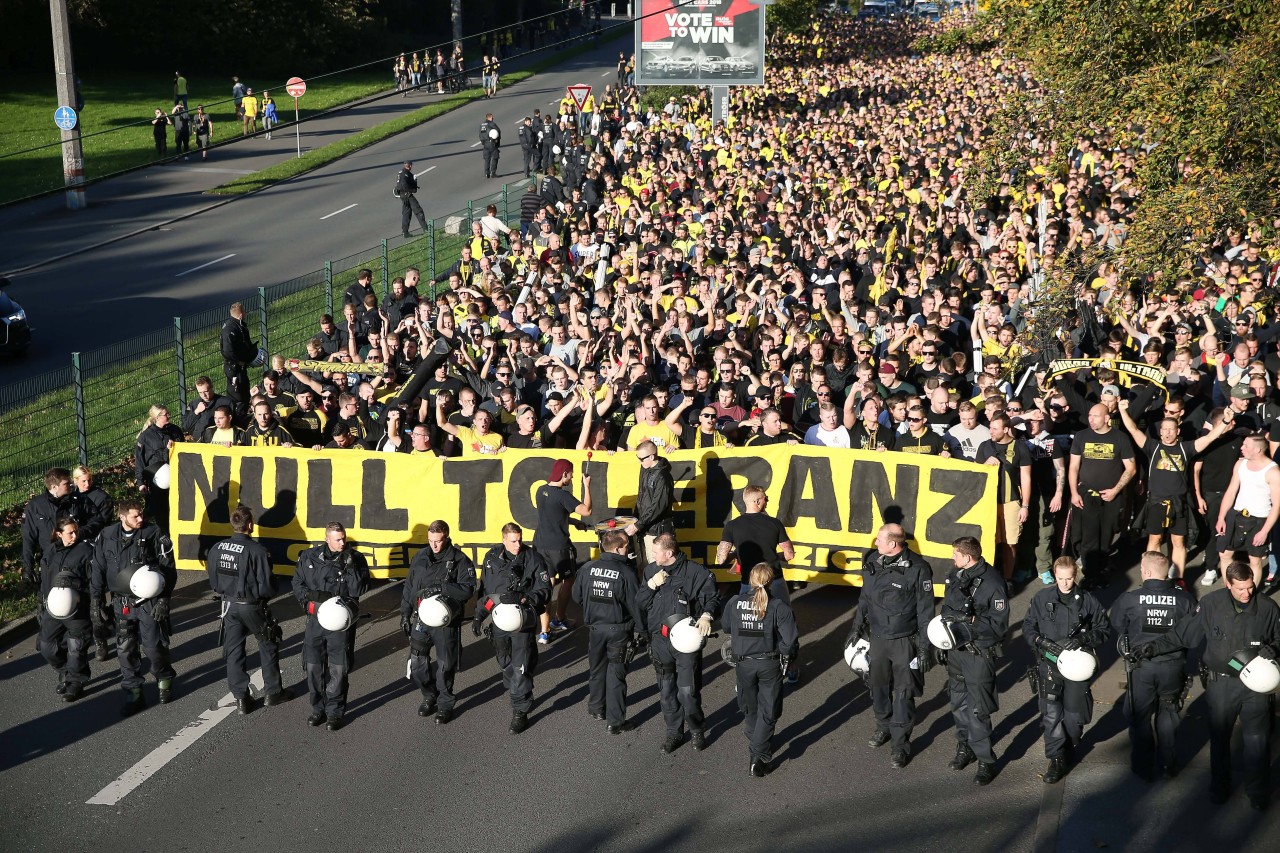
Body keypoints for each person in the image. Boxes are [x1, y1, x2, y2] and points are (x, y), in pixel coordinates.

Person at [1133, 561, 1280, 810]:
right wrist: (1152, 647)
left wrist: (1273, 649)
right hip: (1221, 684)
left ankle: (1258, 792)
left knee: (1258, 741)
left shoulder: (1268, 608)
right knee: (1220, 740)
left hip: (1256, 687)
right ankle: (1220, 787)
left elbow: (1278, 637)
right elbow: (1181, 634)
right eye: (1241, 588)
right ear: (1228, 584)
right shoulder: (1211, 605)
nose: (1247, 593)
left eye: (1250, 587)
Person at [845, 523, 935, 768]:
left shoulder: (918, 568)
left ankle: (900, 746)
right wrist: (855, 627)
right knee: (878, 688)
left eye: (879, 540)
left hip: (905, 640)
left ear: (893, 544)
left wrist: (925, 646)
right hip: (877, 639)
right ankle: (883, 726)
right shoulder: (874, 560)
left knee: (904, 694)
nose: (875, 543)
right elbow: (864, 597)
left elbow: (925, 611)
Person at [1118, 399, 1232, 584]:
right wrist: (1123, 411)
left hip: (1179, 503)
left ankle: (1178, 580)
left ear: (1177, 431)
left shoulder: (1185, 448)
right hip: (1156, 502)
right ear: (1160, 431)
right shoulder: (1152, 447)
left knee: (1178, 543)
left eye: (1171, 430)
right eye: (1165, 430)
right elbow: (1133, 430)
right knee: (1154, 542)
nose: (1168, 433)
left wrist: (1225, 422)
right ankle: (1151, 579)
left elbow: (1209, 438)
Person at [1108, 551, 1196, 781]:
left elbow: (1117, 624)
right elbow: (1194, 635)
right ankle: (1168, 764)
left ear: (1147, 572)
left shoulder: (1130, 599)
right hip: (1173, 667)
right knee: (1168, 712)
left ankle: (1143, 766)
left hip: (1141, 668)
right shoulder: (1185, 599)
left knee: (1139, 717)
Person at [1023, 556, 1109, 784]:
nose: (1064, 583)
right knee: (1051, 714)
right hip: (1049, 663)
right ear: (1054, 575)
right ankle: (1056, 758)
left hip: (1077, 668)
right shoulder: (1042, 598)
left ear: (1075, 576)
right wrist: (1040, 642)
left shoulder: (1088, 601)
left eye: (1069, 579)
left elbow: (1104, 629)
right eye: (1060, 578)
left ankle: (1070, 743)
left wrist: (1086, 637)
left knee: (1074, 716)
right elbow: (1028, 627)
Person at [90, 499, 177, 717]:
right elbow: (98, 568)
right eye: (135, 516)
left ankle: (164, 680)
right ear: (122, 517)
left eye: (141, 514)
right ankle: (134, 692)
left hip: (149, 601)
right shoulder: (107, 536)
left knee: (154, 646)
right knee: (125, 649)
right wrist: (96, 600)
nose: (140, 519)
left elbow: (168, 568)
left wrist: (164, 600)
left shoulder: (154, 533)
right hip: (122, 603)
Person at [636, 533, 719, 754]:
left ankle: (696, 730)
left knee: (687, 692)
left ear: (669, 553)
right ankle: (674, 733)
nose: (652, 556)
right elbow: (641, 603)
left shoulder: (696, 573)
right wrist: (651, 585)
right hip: (660, 641)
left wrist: (706, 615)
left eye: (655, 552)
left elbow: (711, 597)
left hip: (685, 644)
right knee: (666, 692)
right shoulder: (651, 571)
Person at [206, 505, 292, 714]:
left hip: (228, 605)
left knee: (234, 652)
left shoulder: (217, 548)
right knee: (268, 643)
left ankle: (241, 699)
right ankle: (273, 692)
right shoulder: (258, 551)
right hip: (252, 606)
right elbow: (267, 586)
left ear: (233, 524)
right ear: (250, 525)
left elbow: (214, 582)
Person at [939, 535, 1008, 785]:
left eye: (955, 554)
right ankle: (964, 747)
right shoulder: (957, 575)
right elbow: (947, 608)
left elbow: (998, 626)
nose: (952, 558)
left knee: (978, 709)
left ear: (967, 557)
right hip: (956, 651)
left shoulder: (992, 583)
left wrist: (970, 622)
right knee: (958, 703)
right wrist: (942, 641)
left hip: (979, 652)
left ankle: (985, 760)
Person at [473, 523, 551, 734]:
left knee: (520, 667)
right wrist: (479, 616)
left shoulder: (533, 559)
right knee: (504, 660)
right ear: (504, 540)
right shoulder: (491, 558)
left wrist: (526, 597)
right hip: (499, 622)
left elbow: (545, 590)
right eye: (513, 541)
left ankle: (520, 709)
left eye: (519, 540)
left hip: (522, 621)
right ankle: (519, 687)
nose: (518, 545)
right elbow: (486, 591)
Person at [723, 563, 800, 777]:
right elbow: (790, 639)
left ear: (750, 579)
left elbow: (728, 627)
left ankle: (757, 737)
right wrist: (785, 655)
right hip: (769, 663)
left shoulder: (734, 602)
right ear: (771, 581)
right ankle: (758, 755)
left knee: (749, 706)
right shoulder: (779, 607)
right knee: (769, 709)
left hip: (743, 664)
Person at [293, 522, 368, 731]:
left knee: (338, 668)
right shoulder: (309, 557)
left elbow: (360, 588)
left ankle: (335, 711)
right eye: (338, 539)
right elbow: (298, 582)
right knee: (313, 666)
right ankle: (318, 708)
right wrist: (307, 603)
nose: (342, 542)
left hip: (340, 624)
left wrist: (352, 568)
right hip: (316, 621)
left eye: (344, 538)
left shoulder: (355, 558)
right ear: (327, 539)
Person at [400, 520, 477, 724]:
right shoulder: (420, 557)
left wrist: (442, 588)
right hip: (421, 620)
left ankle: (444, 703)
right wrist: (404, 613)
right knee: (417, 663)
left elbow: (467, 590)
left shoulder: (460, 561)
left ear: (447, 538)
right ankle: (429, 695)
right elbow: (409, 586)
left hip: (445, 622)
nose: (434, 545)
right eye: (431, 540)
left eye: (438, 541)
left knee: (445, 665)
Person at [572, 530, 646, 734]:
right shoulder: (626, 572)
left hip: (595, 629)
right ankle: (616, 721)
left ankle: (596, 708)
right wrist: (644, 631)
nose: (628, 549)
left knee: (596, 669)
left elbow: (576, 596)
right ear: (618, 548)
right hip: (619, 631)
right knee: (616, 675)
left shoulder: (587, 568)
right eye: (626, 546)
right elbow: (635, 605)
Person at [1069, 403, 1137, 588]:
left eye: (1096, 416)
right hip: (1087, 494)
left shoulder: (1120, 438)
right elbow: (1074, 467)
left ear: (1107, 418)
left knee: (1106, 536)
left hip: (1111, 496)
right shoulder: (1081, 436)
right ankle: (1090, 575)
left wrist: (1115, 490)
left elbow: (1131, 468)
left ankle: (1101, 568)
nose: (1091, 419)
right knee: (1089, 537)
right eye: (1089, 415)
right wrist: (1074, 492)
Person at [533, 458, 592, 644]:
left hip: (540, 545)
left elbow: (554, 514)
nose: (573, 476)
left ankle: (544, 631)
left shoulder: (540, 491)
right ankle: (560, 618)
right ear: (564, 474)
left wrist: (574, 523)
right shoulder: (563, 496)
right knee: (569, 580)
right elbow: (587, 510)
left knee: (546, 586)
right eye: (571, 473)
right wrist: (586, 486)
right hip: (560, 547)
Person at [37, 516, 94, 702]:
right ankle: (66, 671)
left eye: (76, 530)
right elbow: (45, 579)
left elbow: (94, 581)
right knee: (47, 646)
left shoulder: (86, 551)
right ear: (59, 534)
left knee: (76, 647)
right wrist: (41, 601)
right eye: (70, 532)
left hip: (77, 608)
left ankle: (75, 682)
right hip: (52, 608)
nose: (75, 535)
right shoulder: (50, 551)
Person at [975, 413, 1033, 582]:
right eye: (990, 427)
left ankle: (1007, 579)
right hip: (988, 503)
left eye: (995, 428)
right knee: (988, 542)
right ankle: (988, 580)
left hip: (1011, 502)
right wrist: (984, 465)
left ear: (1006, 429)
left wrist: (1025, 506)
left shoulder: (1020, 447)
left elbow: (1026, 478)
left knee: (1010, 543)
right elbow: (975, 475)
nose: (990, 432)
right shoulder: (984, 446)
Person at [1216, 433, 1280, 586]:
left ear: (1258, 450)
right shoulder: (1240, 464)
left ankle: (1252, 595)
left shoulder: (1273, 472)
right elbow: (1231, 491)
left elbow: (1277, 506)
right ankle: (1230, 591)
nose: (1241, 448)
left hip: (1259, 519)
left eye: (1246, 446)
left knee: (1255, 560)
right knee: (1224, 554)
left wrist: (1264, 531)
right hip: (1236, 515)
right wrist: (1221, 517)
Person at [22, 468, 83, 586]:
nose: (71, 485)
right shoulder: (36, 506)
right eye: (66, 483)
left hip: (75, 555)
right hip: (49, 557)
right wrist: (28, 568)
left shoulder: (76, 501)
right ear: (54, 487)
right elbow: (28, 538)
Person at [134, 404, 184, 534]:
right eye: (165, 414)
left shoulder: (175, 431)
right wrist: (141, 483)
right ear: (156, 417)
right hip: (157, 481)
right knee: (161, 512)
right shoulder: (145, 437)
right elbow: (140, 461)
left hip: (177, 478)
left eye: (169, 413)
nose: (169, 416)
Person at [221, 301, 258, 412]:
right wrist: (239, 362)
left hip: (240, 368)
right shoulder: (230, 329)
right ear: (241, 314)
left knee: (245, 393)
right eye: (245, 312)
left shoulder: (238, 325)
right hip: (234, 369)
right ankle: (238, 418)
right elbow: (227, 352)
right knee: (238, 398)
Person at [395, 161, 429, 239]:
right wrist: (413, 185)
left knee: (406, 213)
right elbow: (405, 185)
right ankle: (426, 229)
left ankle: (405, 232)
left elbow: (399, 185)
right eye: (410, 166)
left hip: (402, 196)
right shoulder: (405, 174)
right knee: (418, 211)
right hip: (407, 195)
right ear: (409, 166)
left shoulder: (401, 172)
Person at [479, 112, 501, 179]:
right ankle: (493, 173)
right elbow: (498, 132)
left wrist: (483, 142)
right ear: (490, 117)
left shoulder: (482, 125)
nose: (493, 118)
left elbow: (480, 135)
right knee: (495, 157)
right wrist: (497, 142)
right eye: (492, 117)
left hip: (485, 144)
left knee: (487, 159)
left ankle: (487, 173)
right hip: (492, 143)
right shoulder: (492, 124)